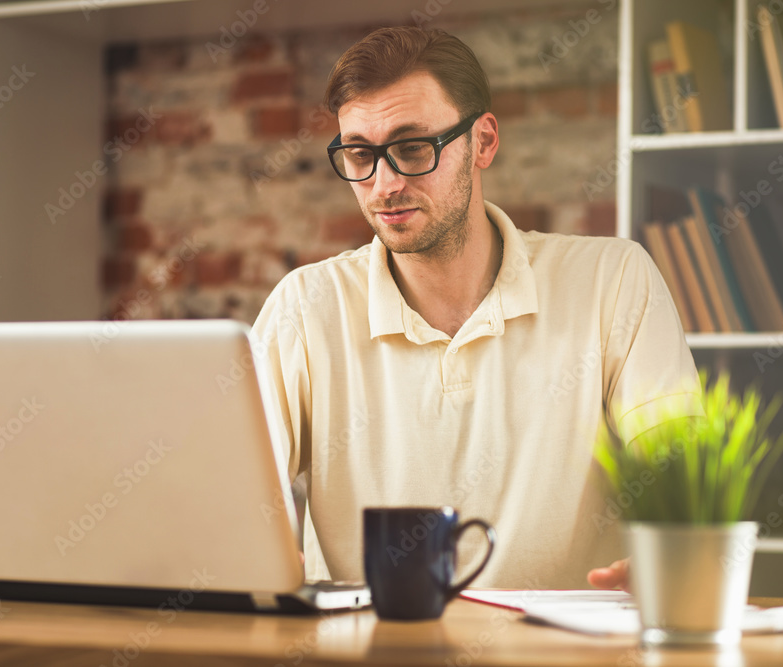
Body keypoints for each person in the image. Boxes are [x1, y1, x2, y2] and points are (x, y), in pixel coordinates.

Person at [252, 26, 703, 590]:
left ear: (483, 142)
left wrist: (676, 548)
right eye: (360, 154)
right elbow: (232, 489)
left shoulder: (613, 281)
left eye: (412, 148)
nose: (383, 185)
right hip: (366, 650)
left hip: (564, 653)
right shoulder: (304, 308)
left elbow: (679, 476)